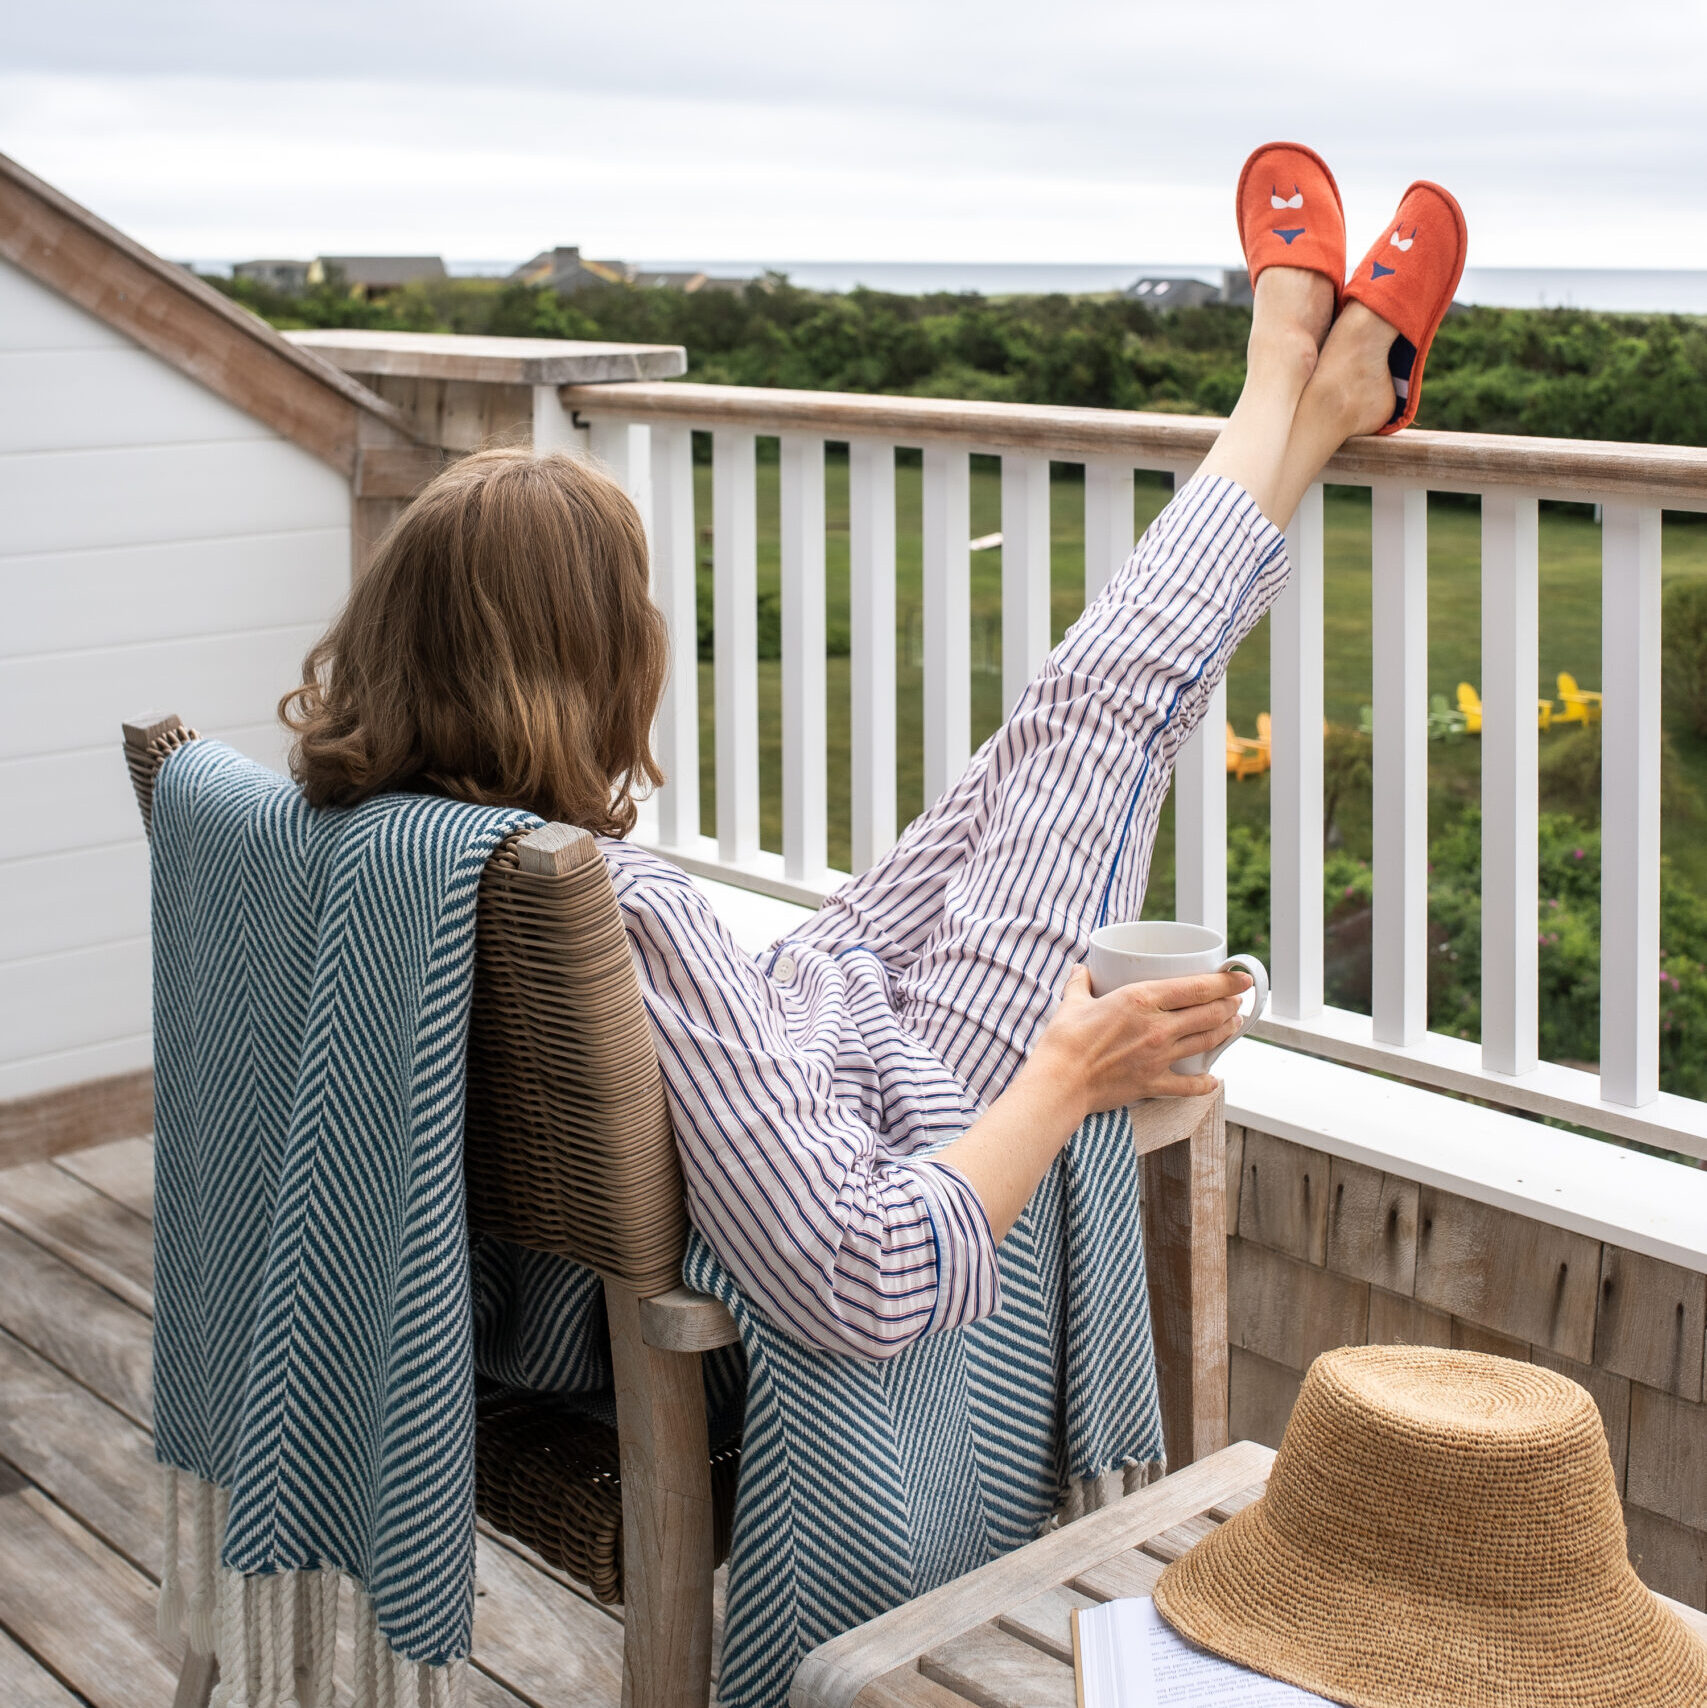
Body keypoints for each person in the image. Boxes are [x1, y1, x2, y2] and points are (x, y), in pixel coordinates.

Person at [282, 143, 1465, 1363]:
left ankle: (1306, 393)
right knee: (1113, 703)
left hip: (802, 1024)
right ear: (580, 670)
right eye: (633, 611)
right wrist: (1068, 1069)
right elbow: (866, 1273)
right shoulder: (616, 910)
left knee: (1048, 724)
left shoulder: (370, 840)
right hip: (910, 1095)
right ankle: (1297, 385)